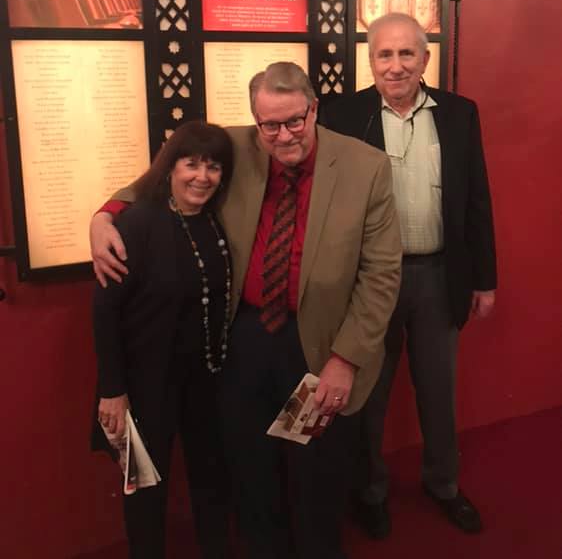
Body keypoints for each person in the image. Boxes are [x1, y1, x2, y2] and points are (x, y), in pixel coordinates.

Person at [90, 61, 402, 559]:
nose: (283, 136)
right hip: (244, 339)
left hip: (320, 341)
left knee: (315, 471)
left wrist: (347, 358)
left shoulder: (366, 167)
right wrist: (105, 215)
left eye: (295, 121)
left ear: (314, 109)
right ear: (256, 120)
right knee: (249, 466)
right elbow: (157, 178)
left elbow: (381, 274)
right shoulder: (234, 147)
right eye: (270, 124)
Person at [321, 12, 497, 538]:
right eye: (383, 54)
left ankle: (443, 484)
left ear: (425, 59)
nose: (395, 66)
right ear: (369, 59)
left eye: (406, 54)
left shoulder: (460, 114)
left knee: (438, 392)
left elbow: (476, 200)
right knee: (367, 395)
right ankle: (369, 491)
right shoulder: (342, 114)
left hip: (437, 276)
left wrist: (484, 279)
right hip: (369, 284)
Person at [91, 120, 234, 559]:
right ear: (169, 167)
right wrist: (113, 391)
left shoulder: (216, 220)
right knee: (144, 489)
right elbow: (104, 311)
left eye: (212, 167)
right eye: (190, 164)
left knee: (213, 482)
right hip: (144, 388)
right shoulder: (135, 225)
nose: (201, 176)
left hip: (207, 382)